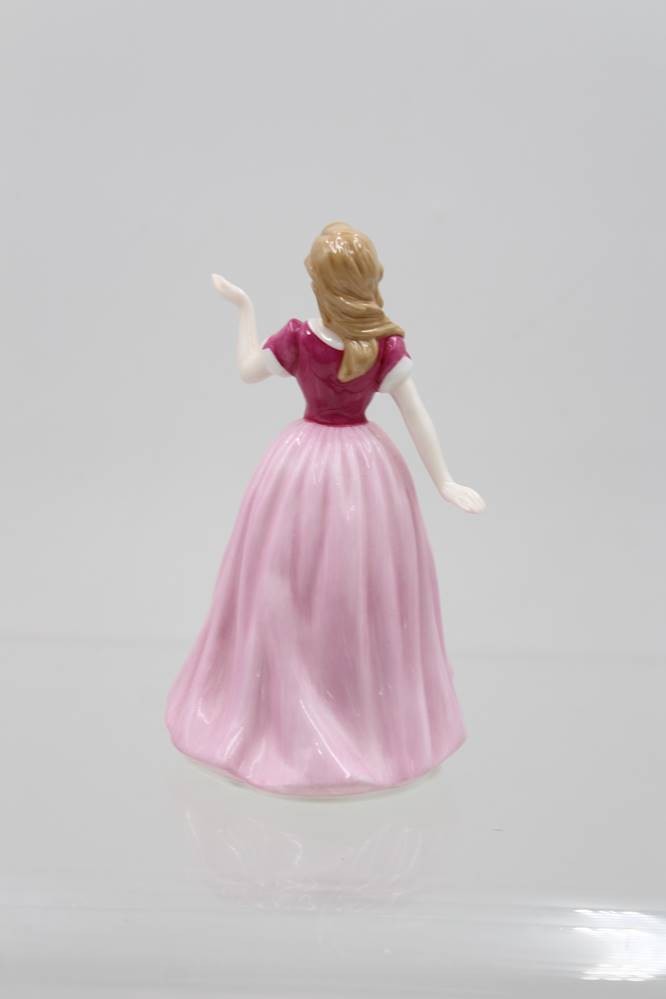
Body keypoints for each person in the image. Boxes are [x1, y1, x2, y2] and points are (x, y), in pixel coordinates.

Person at [166, 222, 485, 796]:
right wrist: (442, 480)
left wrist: (244, 310)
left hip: (303, 465)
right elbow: (416, 413)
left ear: (319, 281)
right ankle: (337, 713)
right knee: (330, 586)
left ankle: (334, 715)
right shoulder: (378, 344)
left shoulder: (307, 338)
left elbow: (247, 370)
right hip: (363, 469)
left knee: (329, 586)